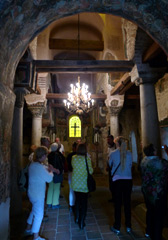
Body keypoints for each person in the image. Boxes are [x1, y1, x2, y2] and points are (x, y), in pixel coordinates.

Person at [24, 146, 60, 240]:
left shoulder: (32, 164)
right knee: (39, 214)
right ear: (43, 156)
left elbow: (42, 169)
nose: (46, 157)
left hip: (32, 192)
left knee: (34, 211)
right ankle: (36, 237)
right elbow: (49, 179)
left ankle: (28, 228)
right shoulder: (39, 167)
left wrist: (48, 168)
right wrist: (51, 171)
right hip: (38, 194)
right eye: (46, 155)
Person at [140, 143, 168, 240]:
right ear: (153, 151)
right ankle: (157, 236)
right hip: (157, 192)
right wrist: (167, 151)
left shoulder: (143, 161)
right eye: (155, 149)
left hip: (146, 191)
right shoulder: (159, 162)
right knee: (159, 214)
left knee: (150, 211)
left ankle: (149, 231)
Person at [109, 136, 132, 235]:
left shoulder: (113, 154)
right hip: (128, 180)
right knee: (127, 203)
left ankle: (117, 226)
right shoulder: (129, 153)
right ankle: (128, 226)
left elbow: (110, 165)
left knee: (117, 204)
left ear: (117, 143)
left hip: (117, 181)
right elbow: (130, 165)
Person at [71, 143, 93, 229]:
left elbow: (73, 167)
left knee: (77, 201)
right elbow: (90, 171)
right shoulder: (87, 159)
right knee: (84, 203)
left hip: (76, 184)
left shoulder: (73, 158)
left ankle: (76, 218)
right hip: (84, 184)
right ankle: (82, 221)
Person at [46, 143, 64, 209]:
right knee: (56, 188)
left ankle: (49, 202)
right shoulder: (58, 155)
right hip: (57, 172)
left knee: (50, 187)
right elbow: (60, 164)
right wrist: (60, 170)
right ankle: (55, 203)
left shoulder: (49, 154)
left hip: (50, 172)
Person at [66, 142, 77, 212]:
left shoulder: (69, 155)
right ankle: (75, 204)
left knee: (71, 190)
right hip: (76, 173)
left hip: (71, 173)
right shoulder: (78, 156)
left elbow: (67, 164)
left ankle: (71, 204)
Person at [106, 135, 116, 202]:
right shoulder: (108, 148)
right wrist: (107, 165)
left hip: (115, 167)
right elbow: (108, 157)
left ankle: (116, 197)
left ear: (112, 140)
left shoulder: (115, 147)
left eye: (109, 139)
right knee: (111, 183)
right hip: (110, 167)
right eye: (107, 139)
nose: (108, 141)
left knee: (115, 183)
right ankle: (113, 196)